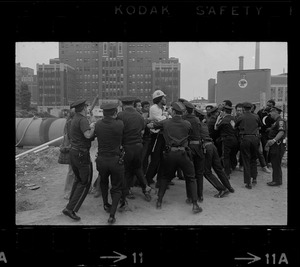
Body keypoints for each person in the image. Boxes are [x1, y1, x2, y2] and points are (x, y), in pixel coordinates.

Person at [147, 102, 202, 213]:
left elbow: (150, 126)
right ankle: (195, 205)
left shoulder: (166, 122)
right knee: (191, 178)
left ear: (173, 111)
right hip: (183, 153)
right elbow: (189, 133)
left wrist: (150, 121)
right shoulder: (187, 123)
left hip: (169, 154)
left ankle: (159, 201)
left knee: (165, 178)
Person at [62, 99, 95, 221]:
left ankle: (72, 200)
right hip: (82, 154)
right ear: (83, 108)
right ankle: (70, 209)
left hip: (74, 152)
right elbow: (87, 135)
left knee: (77, 179)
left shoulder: (72, 120)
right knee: (84, 182)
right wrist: (93, 127)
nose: (87, 109)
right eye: (86, 107)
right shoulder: (82, 120)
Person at [117, 96, 152, 208]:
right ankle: (145, 188)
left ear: (123, 104)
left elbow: (118, 131)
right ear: (132, 104)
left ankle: (126, 191)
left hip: (127, 146)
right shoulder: (139, 116)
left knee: (126, 170)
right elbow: (142, 130)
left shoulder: (120, 115)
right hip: (138, 146)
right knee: (138, 168)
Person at [94, 102, 124, 224]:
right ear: (115, 113)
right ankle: (112, 215)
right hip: (115, 160)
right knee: (116, 187)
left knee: (104, 182)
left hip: (101, 160)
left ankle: (106, 204)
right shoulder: (119, 124)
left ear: (103, 113)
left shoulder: (98, 124)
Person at [195, 108, 234, 198]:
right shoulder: (204, 124)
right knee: (218, 168)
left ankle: (222, 189)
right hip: (212, 146)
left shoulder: (198, 125)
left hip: (206, 147)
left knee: (206, 171)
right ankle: (229, 186)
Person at [182, 101, 205, 203]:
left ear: (186, 110)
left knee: (189, 173)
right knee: (199, 173)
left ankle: (190, 196)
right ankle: (200, 195)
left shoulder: (184, 119)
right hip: (199, 146)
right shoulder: (196, 119)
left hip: (190, 147)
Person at [235, 102, 262, 189]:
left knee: (246, 159)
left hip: (245, 138)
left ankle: (248, 182)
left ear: (243, 108)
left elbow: (235, 126)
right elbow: (260, 126)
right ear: (251, 108)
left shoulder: (241, 117)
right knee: (254, 159)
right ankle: (254, 178)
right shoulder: (256, 116)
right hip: (255, 138)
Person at [145, 90, 168, 187]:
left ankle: (159, 179)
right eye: (163, 98)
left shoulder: (163, 108)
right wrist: (166, 117)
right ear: (159, 99)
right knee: (155, 159)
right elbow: (161, 120)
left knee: (162, 158)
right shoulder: (154, 108)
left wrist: (166, 117)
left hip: (162, 135)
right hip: (156, 136)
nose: (165, 99)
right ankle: (148, 178)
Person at [214, 105, 238, 178]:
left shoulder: (224, 120)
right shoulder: (234, 118)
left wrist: (218, 119)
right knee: (233, 154)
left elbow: (216, 128)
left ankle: (227, 173)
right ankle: (233, 167)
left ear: (224, 112)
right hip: (235, 139)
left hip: (226, 139)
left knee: (225, 156)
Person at [265, 106, 287, 186]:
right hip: (275, 145)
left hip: (278, 145)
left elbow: (281, 132)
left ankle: (276, 181)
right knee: (275, 163)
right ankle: (277, 180)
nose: (270, 113)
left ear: (276, 112)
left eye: (271, 112)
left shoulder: (280, 121)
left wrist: (273, 140)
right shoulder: (276, 121)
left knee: (276, 163)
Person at [62, 108, 76, 200]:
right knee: (72, 171)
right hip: (73, 149)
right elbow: (69, 137)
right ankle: (68, 192)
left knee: (85, 170)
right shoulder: (70, 123)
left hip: (77, 149)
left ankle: (88, 188)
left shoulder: (73, 122)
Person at [257, 99, 276, 165]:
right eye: (267, 105)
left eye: (269, 106)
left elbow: (276, 124)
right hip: (263, 133)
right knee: (265, 146)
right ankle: (265, 162)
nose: (267, 107)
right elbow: (257, 121)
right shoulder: (260, 112)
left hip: (271, 133)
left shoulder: (273, 113)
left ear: (273, 106)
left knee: (271, 147)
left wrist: (271, 128)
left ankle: (269, 161)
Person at [234, 103, 244, 172]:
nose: (239, 112)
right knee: (233, 152)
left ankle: (241, 165)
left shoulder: (244, 118)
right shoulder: (233, 118)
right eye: (238, 110)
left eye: (240, 110)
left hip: (242, 137)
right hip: (234, 137)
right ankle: (234, 164)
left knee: (242, 153)